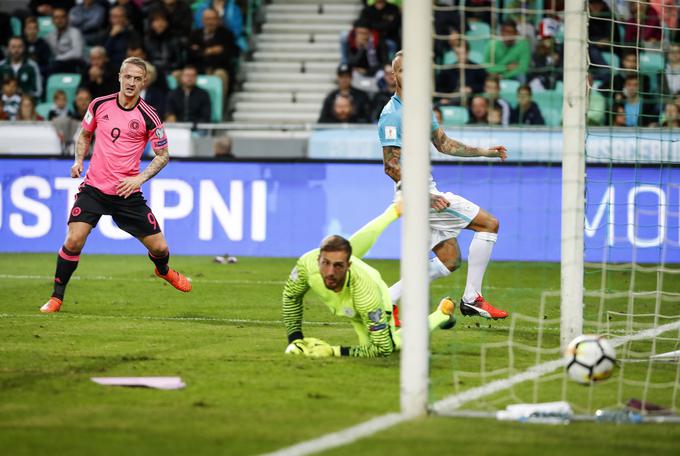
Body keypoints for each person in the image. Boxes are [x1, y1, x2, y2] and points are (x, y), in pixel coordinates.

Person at [40, 56, 192, 313]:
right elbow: (85, 134)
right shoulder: (99, 105)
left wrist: (139, 179)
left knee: (160, 247)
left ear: (144, 82)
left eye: (137, 78)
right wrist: (79, 161)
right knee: (74, 240)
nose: (131, 82)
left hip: (127, 193)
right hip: (94, 189)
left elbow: (163, 155)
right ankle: (56, 297)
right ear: (119, 77)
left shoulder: (150, 116)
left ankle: (164, 271)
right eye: (127, 77)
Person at [379, 51, 509, 322]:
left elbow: (444, 144)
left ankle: (387, 300)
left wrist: (485, 152)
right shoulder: (392, 116)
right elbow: (391, 166)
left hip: (423, 194)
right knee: (489, 224)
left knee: (449, 261)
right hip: (417, 195)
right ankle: (472, 299)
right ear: (395, 76)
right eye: (403, 70)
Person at [282, 202, 456, 358]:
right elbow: (291, 297)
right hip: (350, 301)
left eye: (337, 266)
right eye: (324, 263)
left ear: (348, 265)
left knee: (392, 345)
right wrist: (295, 339)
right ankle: (393, 210)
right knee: (351, 246)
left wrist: (333, 351)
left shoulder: (366, 294)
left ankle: (441, 315)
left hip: (374, 301)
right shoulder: (307, 265)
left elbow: (383, 349)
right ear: (318, 259)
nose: (329, 272)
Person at [45, 7, 85, 74]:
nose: (59, 20)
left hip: (74, 63)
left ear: (67, 19)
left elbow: (77, 53)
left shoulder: (75, 32)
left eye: (62, 17)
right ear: (52, 21)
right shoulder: (50, 35)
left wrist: (59, 58)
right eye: (56, 18)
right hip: (58, 64)